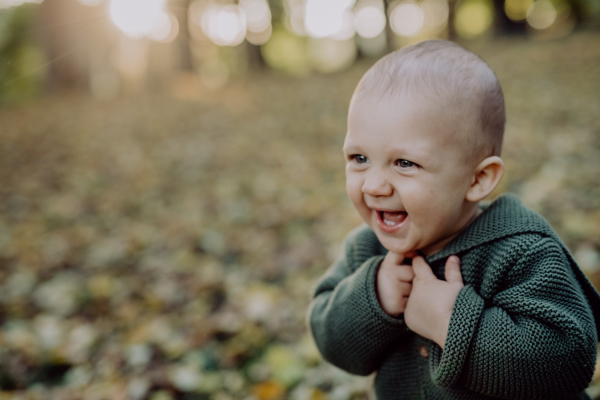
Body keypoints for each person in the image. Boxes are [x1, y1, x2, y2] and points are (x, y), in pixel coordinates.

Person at [307, 40, 600, 400]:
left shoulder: (521, 250)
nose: (373, 185)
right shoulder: (367, 250)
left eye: (404, 163)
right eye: (359, 157)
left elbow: (568, 363)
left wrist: (452, 321)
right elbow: (330, 340)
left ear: (477, 180)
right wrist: (375, 297)